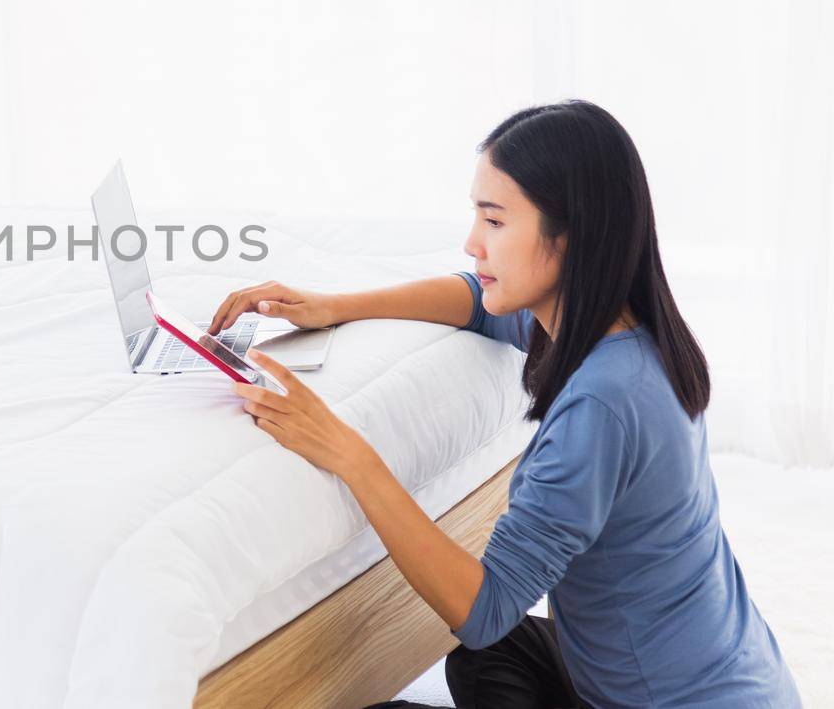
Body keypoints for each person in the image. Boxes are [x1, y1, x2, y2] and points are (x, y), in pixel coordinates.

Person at [209, 101, 800, 708]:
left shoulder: (603, 401)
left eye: (494, 221)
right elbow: (474, 302)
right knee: (490, 659)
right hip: (733, 679)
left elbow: (484, 608)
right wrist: (334, 305)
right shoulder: (622, 329)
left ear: (569, 237)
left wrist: (348, 452)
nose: (472, 244)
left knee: (448, 666)